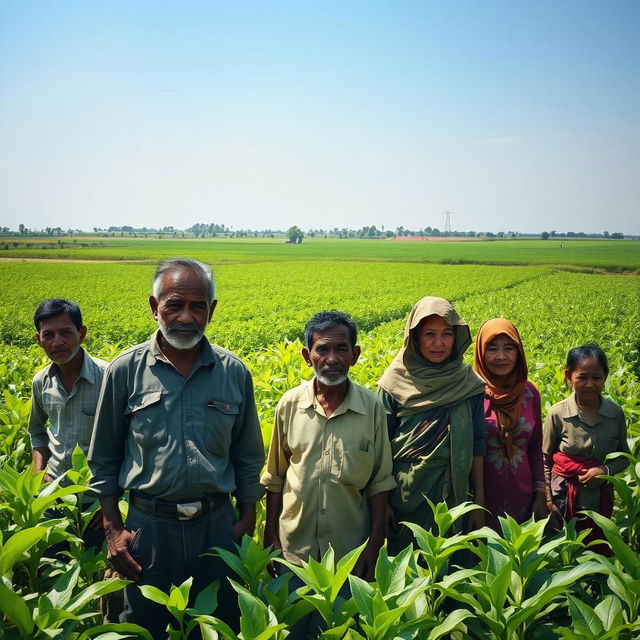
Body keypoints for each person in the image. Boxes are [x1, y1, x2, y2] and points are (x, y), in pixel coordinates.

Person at [88, 258, 264, 638]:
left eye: (197, 306)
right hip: (148, 529)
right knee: (139, 627)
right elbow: (103, 458)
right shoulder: (125, 370)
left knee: (217, 626)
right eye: (174, 305)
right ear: (155, 308)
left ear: (211, 311)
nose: (186, 317)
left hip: (216, 526)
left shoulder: (234, 372)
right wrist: (112, 529)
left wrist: (246, 518)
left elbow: (248, 456)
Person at [261, 311, 395, 639]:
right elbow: (276, 478)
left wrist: (373, 546)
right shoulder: (289, 405)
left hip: (351, 555)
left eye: (341, 349)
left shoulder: (371, 407)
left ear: (355, 355)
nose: (331, 358)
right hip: (295, 553)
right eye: (322, 349)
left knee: (342, 630)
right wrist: (270, 539)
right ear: (308, 356)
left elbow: (380, 483)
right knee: (292, 630)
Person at [378, 296, 487, 554]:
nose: (439, 343)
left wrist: (479, 502)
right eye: (429, 334)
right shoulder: (393, 384)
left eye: (446, 333)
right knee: (408, 571)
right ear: (414, 337)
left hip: (457, 496)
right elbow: (379, 447)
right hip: (406, 495)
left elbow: (477, 445)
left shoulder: (468, 383)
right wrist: (382, 505)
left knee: (454, 571)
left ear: (456, 337)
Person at [28, 298, 107, 548]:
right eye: (48, 335)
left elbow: (131, 442)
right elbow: (37, 432)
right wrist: (39, 475)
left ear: (81, 334)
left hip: (97, 500)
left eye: (65, 332)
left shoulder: (109, 378)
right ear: (38, 339)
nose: (57, 342)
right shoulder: (41, 382)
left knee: (96, 574)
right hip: (54, 497)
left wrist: (111, 503)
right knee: (55, 565)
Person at [542, 344, 630, 551]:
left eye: (596, 377)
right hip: (563, 497)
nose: (589, 384)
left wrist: (604, 471)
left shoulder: (615, 414)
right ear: (568, 376)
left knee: (597, 548)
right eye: (582, 377)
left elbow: (624, 456)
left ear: (606, 376)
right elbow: (544, 457)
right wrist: (548, 500)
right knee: (563, 550)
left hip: (599, 499)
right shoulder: (558, 413)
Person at [473, 318, 547, 530]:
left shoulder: (530, 393)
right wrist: (476, 503)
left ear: (519, 351)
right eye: (492, 348)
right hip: (481, 502)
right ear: (481, 352)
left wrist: (541, 494)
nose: (501, 356)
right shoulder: (472, 393)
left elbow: (534, 448)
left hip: (524, 499)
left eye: (509, 348)